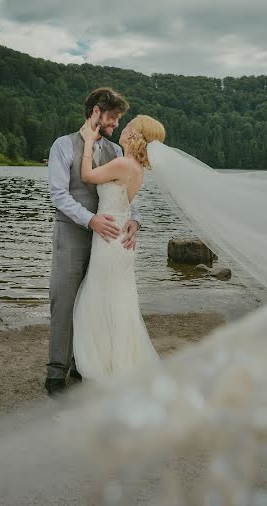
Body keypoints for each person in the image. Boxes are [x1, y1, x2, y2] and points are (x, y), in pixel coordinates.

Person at [44, 87, 141, 397]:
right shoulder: (63, 145)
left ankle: (84, 363)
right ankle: (57, 371)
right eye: (112, 118)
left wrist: (134, 221)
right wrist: (90, 219)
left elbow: (126, 194)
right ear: (96, 111)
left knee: (96, 303)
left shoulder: (116, 153)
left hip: (107, 243)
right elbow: (59, 195)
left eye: (117, 121)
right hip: (72, 235)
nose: (114, 126)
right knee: (64, 301)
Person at [70, 114, 166, 380]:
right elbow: (124, 204)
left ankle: (105, 364)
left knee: (98, 298)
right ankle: (118, 360)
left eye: (129, 126)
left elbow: (87, 175)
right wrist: (135, 220)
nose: (123, 128)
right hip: (120, 238)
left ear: (135, 136)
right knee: (117, 301)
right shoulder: (136, 169)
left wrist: (88, 141)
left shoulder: (124, 164)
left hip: (110, 241)